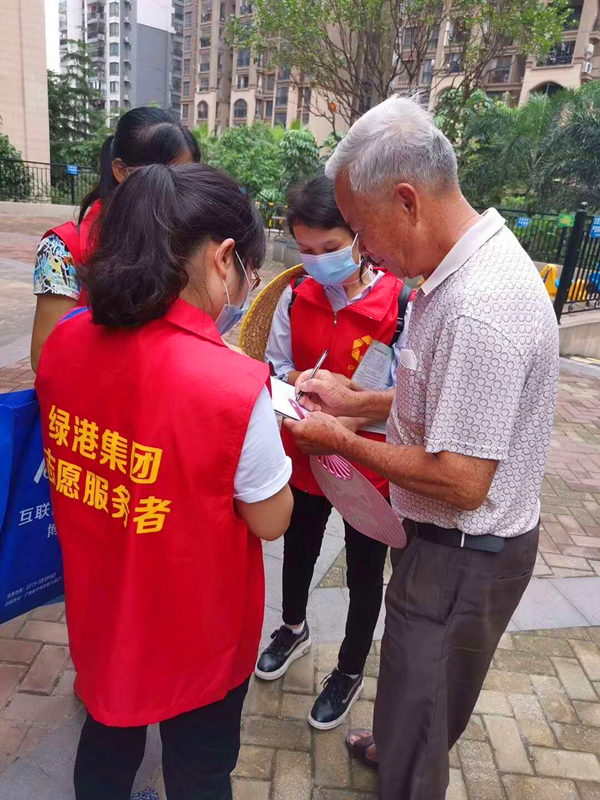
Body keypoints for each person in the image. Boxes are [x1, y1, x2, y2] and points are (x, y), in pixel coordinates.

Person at [285, 96, 559, 799]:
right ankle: (401, 741)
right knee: (418, 690)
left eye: (360, 227)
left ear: (406, 200)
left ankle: (407, 767)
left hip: (460, 552)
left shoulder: (478, 307)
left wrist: (341, 440)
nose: (362, 249)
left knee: (423, 705)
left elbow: (462, 477)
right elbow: (449, 407)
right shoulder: (455, 272)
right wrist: (359, 401)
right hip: (448, 547)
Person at [35, 162, 294, 800]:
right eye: (247, 271)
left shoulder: (64, 342)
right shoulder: (234, 385)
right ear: (223, 258)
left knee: (106, 739)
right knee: (199, 769)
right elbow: (270, 519)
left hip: (104, 605)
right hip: (197, 626)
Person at [256, 172, 413, 731]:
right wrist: (296, 384)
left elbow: (403, 398)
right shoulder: (294, 295)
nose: (317, 261)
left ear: (358, 237)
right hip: (303, 452)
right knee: (298, 546)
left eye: (329, 247)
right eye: (305, 249)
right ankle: (292, 627)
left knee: (364, 572)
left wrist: (344, 423)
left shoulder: (399, 306)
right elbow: (274, 366)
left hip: (367, 466)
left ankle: (348, 670)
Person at [31, 107, 201, 372]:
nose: (178, 191)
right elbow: (44, 355)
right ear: (121, 170)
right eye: (166, 177)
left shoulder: (182, 240)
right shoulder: (61, 249)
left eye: (187, 179)